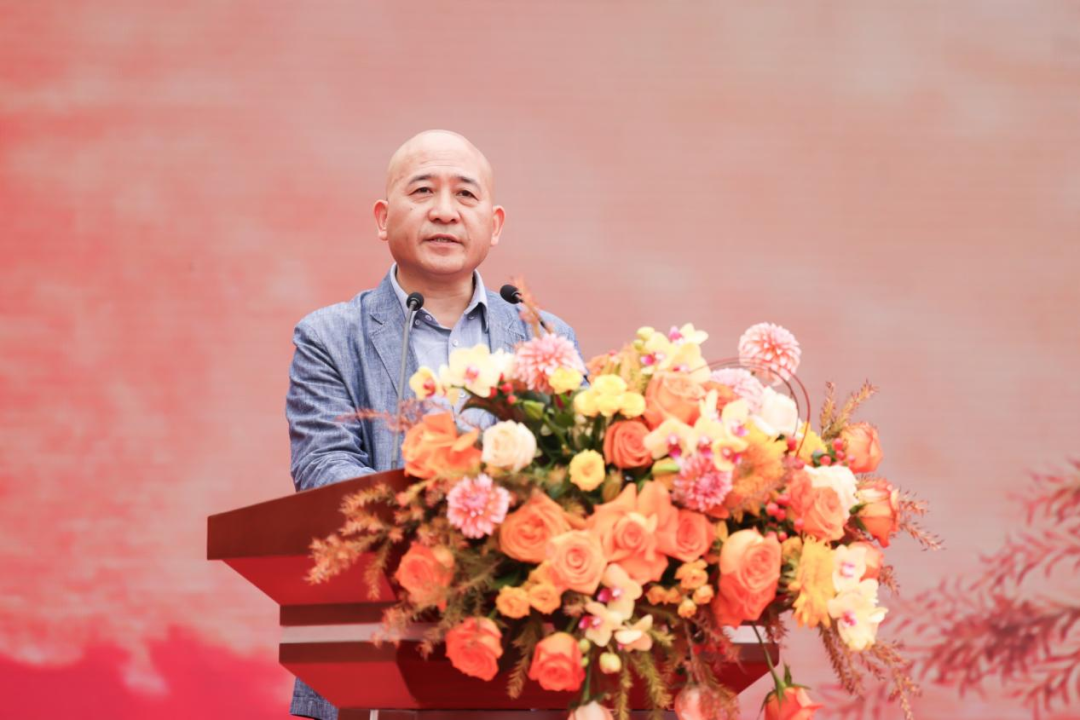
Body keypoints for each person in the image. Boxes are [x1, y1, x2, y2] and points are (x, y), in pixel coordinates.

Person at [285, 130, 581, 719]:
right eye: (423, 191)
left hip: (521, 656)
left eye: (465, 194)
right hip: (380, 647)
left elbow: (579, 474)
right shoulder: (330, 336)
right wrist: (451, 509)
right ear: (383, 217)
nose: (445, 211)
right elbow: (323, 469)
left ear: (494, 225)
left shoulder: (544, 337)